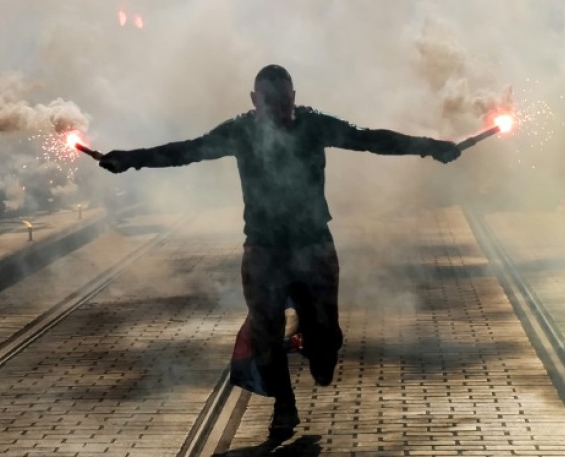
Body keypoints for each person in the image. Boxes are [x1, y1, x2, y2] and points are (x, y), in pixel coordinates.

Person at [97, 65, 461, 440]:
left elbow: (369, 139)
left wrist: (430, 147)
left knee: (326, 340)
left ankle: (319, 349)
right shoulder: (240, 131)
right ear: (255, 101)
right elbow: (185, 151)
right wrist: (130, 158)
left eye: (286, 101)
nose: (280, 110)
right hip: (263, 248)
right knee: (265, 333)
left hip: (313, 245)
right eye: (271, 102)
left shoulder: (314, 124)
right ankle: (284, 406)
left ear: (294, 98)